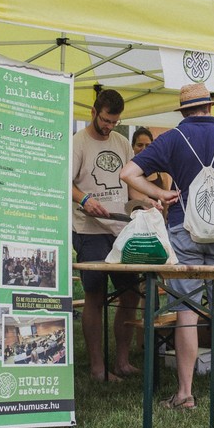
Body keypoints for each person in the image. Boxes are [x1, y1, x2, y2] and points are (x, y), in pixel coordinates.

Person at [122, 83, 214, 409]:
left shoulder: (171, 139)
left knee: (185, 310)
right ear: (210, 108)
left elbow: (129, 173)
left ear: (183, 111)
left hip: (184, 230)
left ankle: (185, 394)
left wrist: (159, 194)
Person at [72, 88, 140, 381]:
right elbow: (64, 184)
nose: (109, 126)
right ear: (93, 111)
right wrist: (85, 199)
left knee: (131, 295)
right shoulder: (78, 143)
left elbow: (131, 183)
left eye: (114, 122)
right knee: (95, 296)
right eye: (105, 120)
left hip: (121, 229)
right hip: (89, 230)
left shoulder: (123, 143)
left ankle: (122, 362)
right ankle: (98, 368)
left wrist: (141, 207)